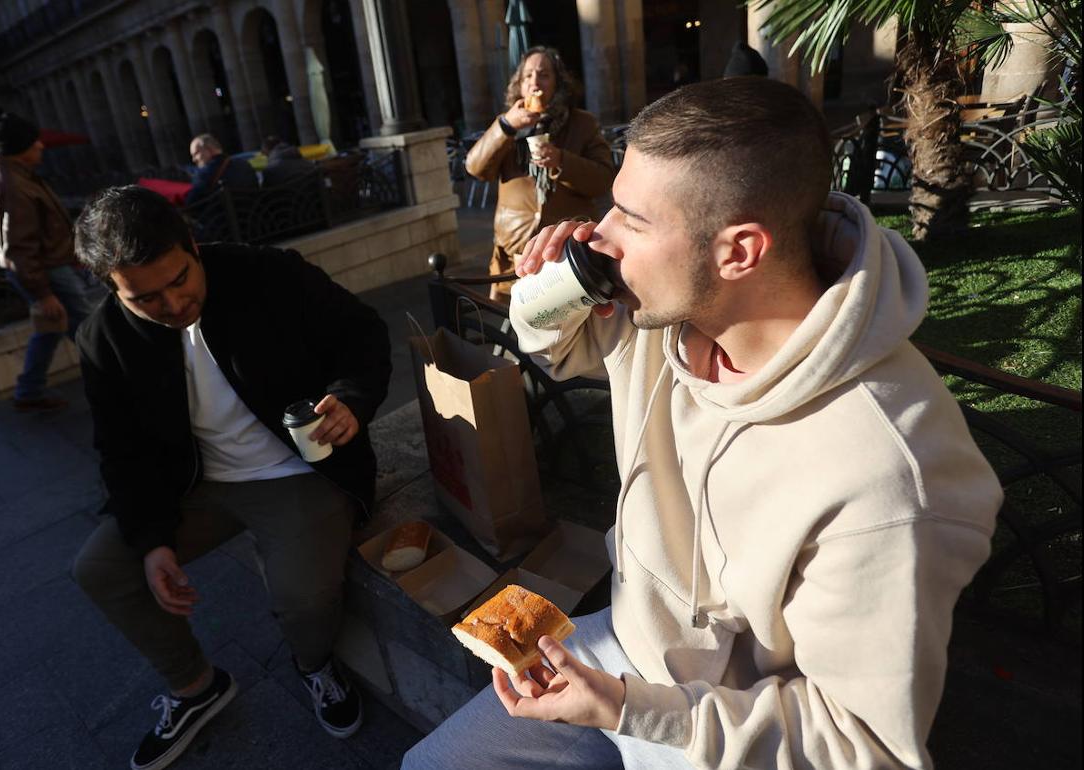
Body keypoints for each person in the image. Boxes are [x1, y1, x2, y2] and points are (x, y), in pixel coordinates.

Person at [405, 77, 1003, 769]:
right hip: (623, 647)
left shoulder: (893, 476)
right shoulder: (667, 311)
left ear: (739, 250)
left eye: (632, 218)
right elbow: (549, 345)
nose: (600, 234)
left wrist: (630, 711)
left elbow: (860, 746)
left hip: (738, 723)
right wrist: (553, 282)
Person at [70, 185, 391, 770]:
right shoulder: (103, 339)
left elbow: (363, 335)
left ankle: (314, 664)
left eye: (180, 278)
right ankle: (196, 687)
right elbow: (120, 451)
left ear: (192, 244)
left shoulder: (267, 273)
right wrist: (152, 541)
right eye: (146, 298)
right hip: (192, 485)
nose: (172, 303)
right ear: (113, 290)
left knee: (303, 593)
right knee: (100, 568)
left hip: (297, 466)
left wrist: (348, 399)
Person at [465, 46, 615, 301]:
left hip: (567, 254)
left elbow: (603, 180)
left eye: (544, 74)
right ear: (520, 85)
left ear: (558, 82)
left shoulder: (583, 123)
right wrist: (505, 127)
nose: (535, 81)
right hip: (515, 257)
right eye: (528, 76)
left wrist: (561, 161)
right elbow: (475, 168)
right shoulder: (507, 125)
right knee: (514, 333)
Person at [0, 113, 95, 412]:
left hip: (42, 267)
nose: (41, 145)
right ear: (19, 147)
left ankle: (29, 390)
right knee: (88, 330)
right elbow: (19, 246)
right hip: (46, 270)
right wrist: (43, 292)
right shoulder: (12, 184)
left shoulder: (6, 173)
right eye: (33, 141)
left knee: (51, 329)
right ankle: (123, 375)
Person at [183, 133, 258, 206]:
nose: (194, 160)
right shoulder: (244, 164)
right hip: (252, 214)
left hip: (225, 217)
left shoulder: (204, 174)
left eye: (196, 154)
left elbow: (190, 203)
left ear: (209, 149)